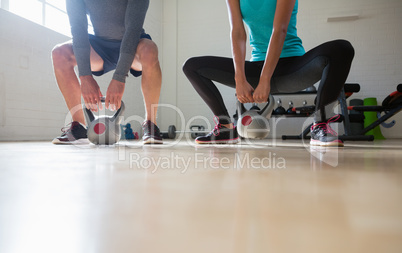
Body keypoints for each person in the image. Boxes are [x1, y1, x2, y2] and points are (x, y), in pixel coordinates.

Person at [183, 0, 354, 147]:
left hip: (292, 68)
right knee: (191, 66)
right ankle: (225, 128)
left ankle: (321, 124)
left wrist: (265, 79)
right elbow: (237, 32)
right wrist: (240, 78)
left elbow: (279, 29)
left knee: (342, 49)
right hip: (256, 67)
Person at [52, 0, 163, 145]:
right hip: (100, 47)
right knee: (59, 53)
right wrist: (85, 76)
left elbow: (133, 29)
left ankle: (150, 123)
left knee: (150, 49)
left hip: (133, 44)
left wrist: (119, 77)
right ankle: (78, 125)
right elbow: (78, 28)